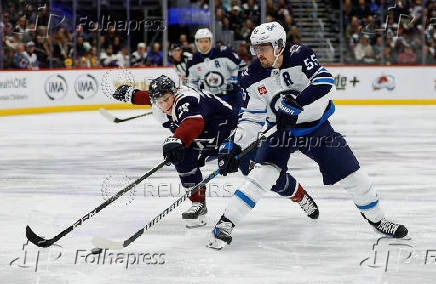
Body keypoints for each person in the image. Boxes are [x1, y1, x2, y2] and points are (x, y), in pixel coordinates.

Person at [208, 22, 408, 250]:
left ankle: (378, 219)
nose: (258, 53)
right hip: (280, 132)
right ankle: (226, 222)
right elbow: (251, 118)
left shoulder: (300, 55)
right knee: (260, 177)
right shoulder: (251, 76)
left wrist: (296, 103)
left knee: (354, 176)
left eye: (264, 47)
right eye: (256, 48)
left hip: (316, 130)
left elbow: (325, 82)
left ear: (279, 45)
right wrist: (233, 146)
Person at [110, 75, 319, 228]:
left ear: (174, 93)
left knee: (260, 173)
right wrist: (130, 94)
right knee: (182, 158)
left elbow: (193, 123)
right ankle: (198, 205)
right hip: (203, 141)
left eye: (167, 99)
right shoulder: (159, 100)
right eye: (159, 101)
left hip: (230, 135)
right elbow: (146, 96)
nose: (164, 104)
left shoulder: (186, 100)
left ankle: (300, 196)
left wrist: (176, 139)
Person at [186, 28, 245, 113]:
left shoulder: (225, 52)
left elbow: (241, 66)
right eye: (201, 41)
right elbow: (191, 84)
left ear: (211, 41)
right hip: (210, 100)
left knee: (238, 121)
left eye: (206, 41)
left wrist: (235, 79)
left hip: (231, 96)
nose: (203, 44)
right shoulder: (192, 61)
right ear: (196, 42)